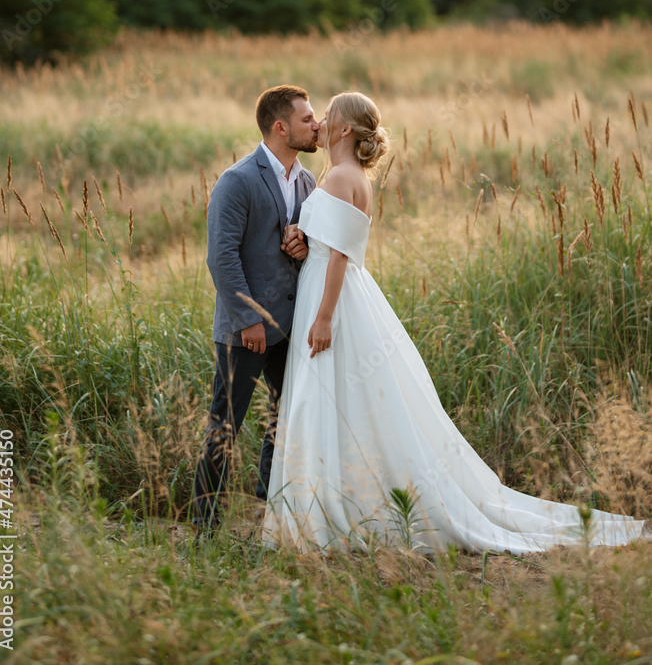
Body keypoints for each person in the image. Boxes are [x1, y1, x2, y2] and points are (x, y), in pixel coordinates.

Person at [263, 91, 649, 553]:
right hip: (330, 292)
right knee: (340, 402)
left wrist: (324, 317)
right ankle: (335, 503)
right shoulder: (340, 176)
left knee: (327, 398)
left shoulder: (343, 177)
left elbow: (341, 254)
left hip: (333, 300)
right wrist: (300, 239)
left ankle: (336, 513)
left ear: (345, 129)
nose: (321, 120)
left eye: (328, 115)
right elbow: (328, 242)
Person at [193, 85, 319, 536]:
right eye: (307, 119)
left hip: (291, 328)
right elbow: (221, 256)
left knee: (284, 422)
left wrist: (304, 246)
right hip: (244, 330)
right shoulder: (238, 179)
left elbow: (307, 249)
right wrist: (248, 319)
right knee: (225, 426)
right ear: (281, 126)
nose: (316, 125)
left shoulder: (307, 181)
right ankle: (205, 526)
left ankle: (269, 516)